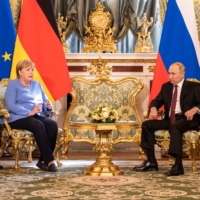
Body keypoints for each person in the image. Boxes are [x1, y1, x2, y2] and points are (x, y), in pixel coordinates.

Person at [134, 62, 200, 176]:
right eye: (169, 73)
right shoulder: (166, 87)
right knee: (147, 125)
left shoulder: (193, 86)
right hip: (170, 118)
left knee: (175, 126)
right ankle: (151, 161)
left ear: (182, 73)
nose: (170, 77)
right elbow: (156, 101)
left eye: (173, 74)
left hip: (188, 119)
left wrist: (195, 109)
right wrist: (154, 108)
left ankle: (178, 165)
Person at [0, 59, 58, 172]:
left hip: (36, 114)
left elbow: (45, 102)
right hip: (16, 116)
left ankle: (42, 161)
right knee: (38, 125)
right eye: (28, 70)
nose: (31, 72)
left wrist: (48, 105)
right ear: (20, 72)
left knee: (52, 125)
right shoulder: (13, 84)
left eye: (32, 70)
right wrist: (29, 112)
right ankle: (50, 160)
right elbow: (10, 105)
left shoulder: (37, 84)